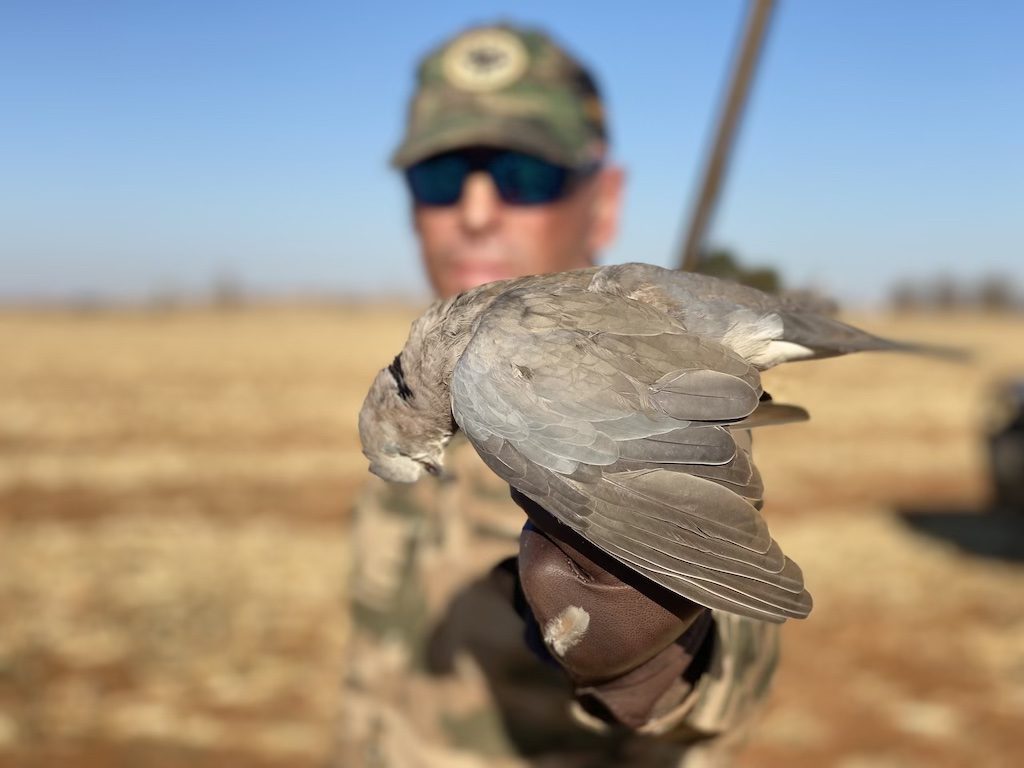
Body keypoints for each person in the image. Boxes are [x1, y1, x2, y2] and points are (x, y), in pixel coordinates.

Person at [338, 23, 779, 768]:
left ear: (604, 203)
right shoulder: (411, 406)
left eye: (524, 174)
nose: (475, 213)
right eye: (439, 178)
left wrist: (658, 663)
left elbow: (736, 660)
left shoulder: (671, 393)